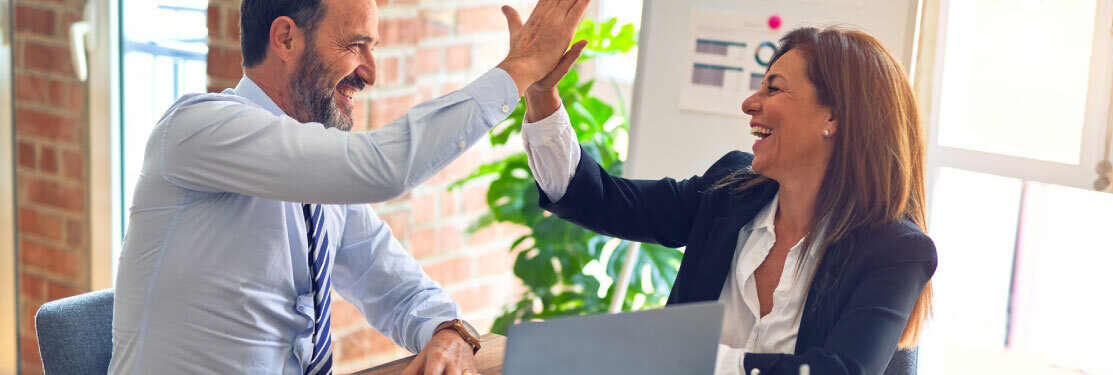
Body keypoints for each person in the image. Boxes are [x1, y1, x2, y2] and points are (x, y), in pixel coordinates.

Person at [109, 0, 590, 373]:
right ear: (285, 38)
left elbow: (399, 290)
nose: (370, 72)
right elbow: (381, 167)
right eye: (355, 45)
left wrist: (449, 330)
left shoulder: (318, 181)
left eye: (372, 48)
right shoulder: (200, 128)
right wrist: (521, 67)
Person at [520, 26, 936, 375]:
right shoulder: (730, 191)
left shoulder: (896, 251)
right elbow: (600, 199)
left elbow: (840, 371)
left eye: (773, 89)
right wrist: (541, 93)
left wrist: (691, 360)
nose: (749, 104)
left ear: (834, 118)